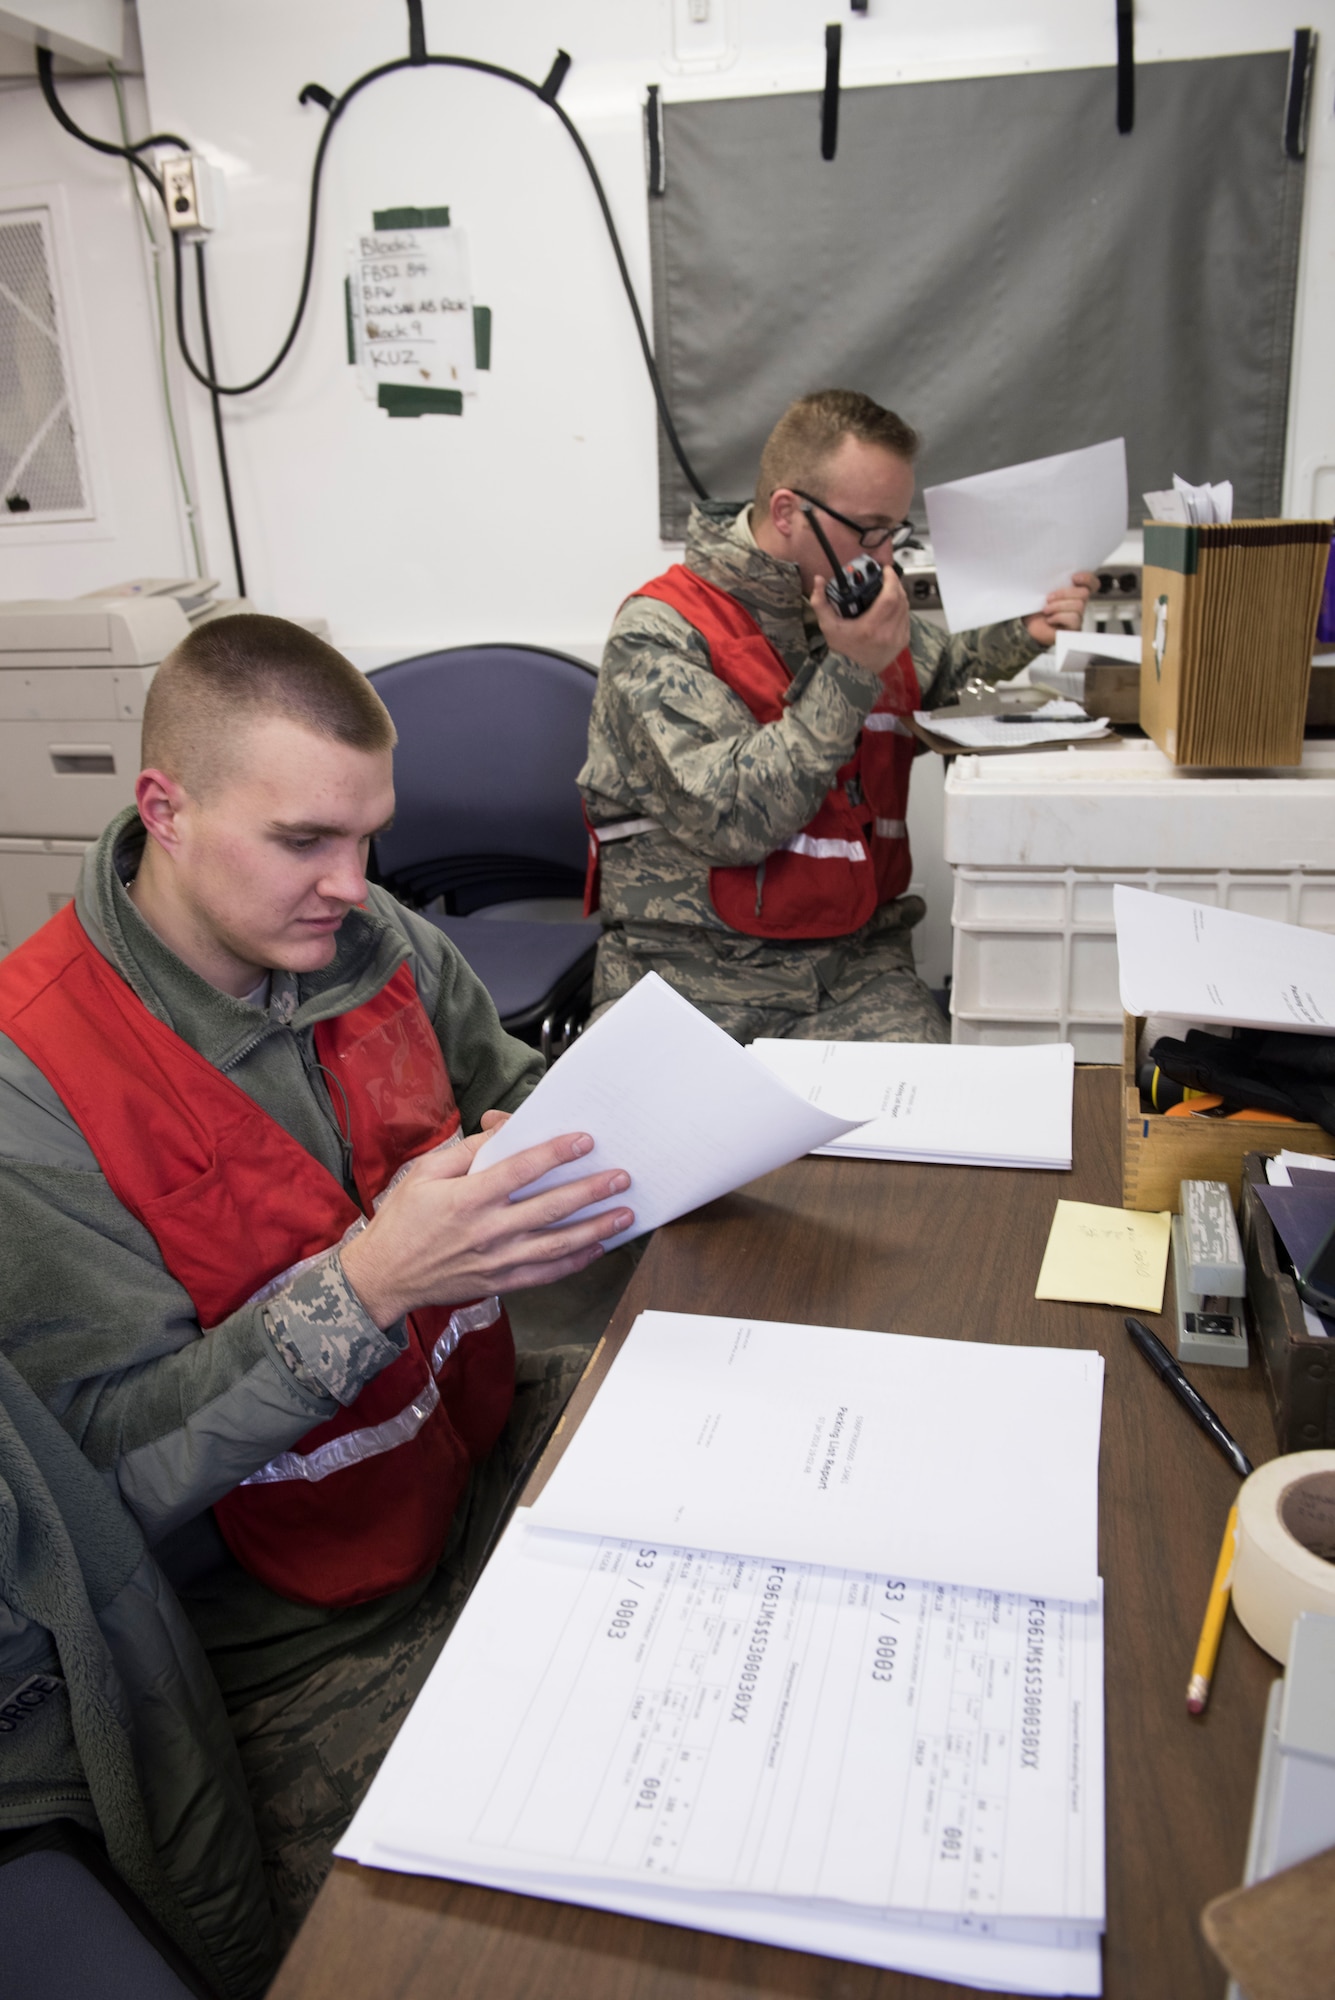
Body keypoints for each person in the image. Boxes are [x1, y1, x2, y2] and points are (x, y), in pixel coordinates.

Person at [0, 615, 634, 1952]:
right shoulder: (34, 1080)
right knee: (551, 1908)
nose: (354, 883)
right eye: (304, 842)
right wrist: (368, 1284)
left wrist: (575, 1165)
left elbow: (513, 1095)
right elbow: (103, 1485)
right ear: (164, 811)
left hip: (464, 1465)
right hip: (292, 1638)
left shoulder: (367, 935)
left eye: (368, 837)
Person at [579, 389, 1093, 1042]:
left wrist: (1026, 631)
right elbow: (730, 820)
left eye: (894, 534)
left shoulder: (847, 604)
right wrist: (850, 670)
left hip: (854, 967)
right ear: (788, 511)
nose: (883, 557)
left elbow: (934, 674)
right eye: (869, 530)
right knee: (632, 1142)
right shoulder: (659, 633)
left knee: (937, 1132)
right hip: (691, 971)